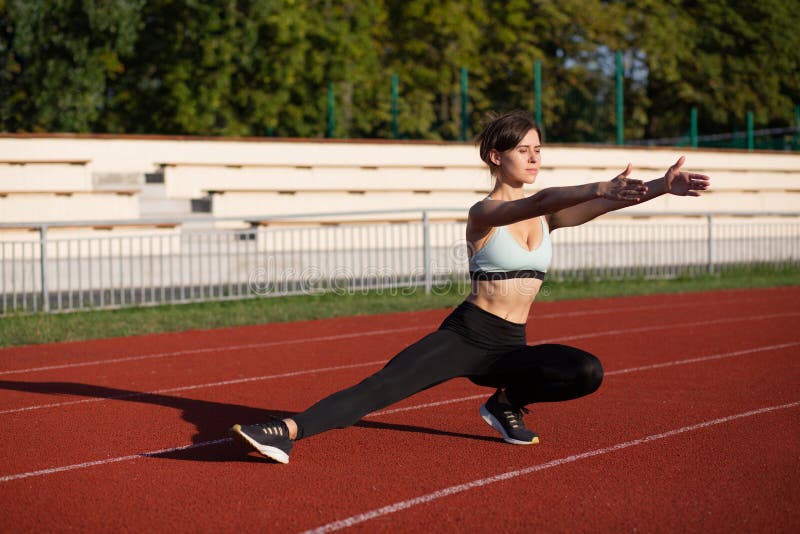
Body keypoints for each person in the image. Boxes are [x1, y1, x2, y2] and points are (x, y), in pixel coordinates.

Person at [230, 110, 711, 464]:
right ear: (495, 156)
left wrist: (662, 186)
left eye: (538, 149)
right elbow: (545, 197)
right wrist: (594, 186)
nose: (534, 157)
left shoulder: (549, 216)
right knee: (379, 389)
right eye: (524, 149)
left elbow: (603, 202)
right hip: (465, 337)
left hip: (509, 346)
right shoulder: (485, 213)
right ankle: (284, 430)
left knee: (585, 370)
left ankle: (504, 405)